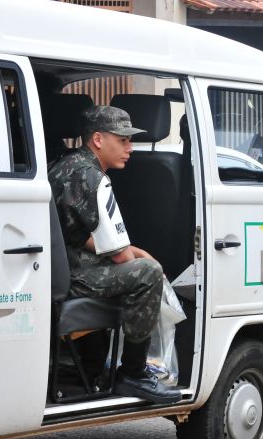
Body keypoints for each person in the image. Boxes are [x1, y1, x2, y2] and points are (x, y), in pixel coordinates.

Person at [49, 105, 181, 404]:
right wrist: (150, 263)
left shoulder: (64, 166)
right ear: (98, 139)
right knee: (147, 275)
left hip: (59, 266)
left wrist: (136, 251)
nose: (129, 148)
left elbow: (83, 236)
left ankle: (94, 366)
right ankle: (133, 374)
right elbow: (121, 257)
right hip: (74, 274)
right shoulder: (94, 179)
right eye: (122, 140)